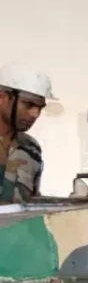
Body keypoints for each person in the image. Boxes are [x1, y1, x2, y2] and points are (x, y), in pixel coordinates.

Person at [0, 63, 53, 203]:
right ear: (2, 98)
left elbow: (31, 201)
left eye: (40, 107)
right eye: (28, 104)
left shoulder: (31, 148)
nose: (35, 114)